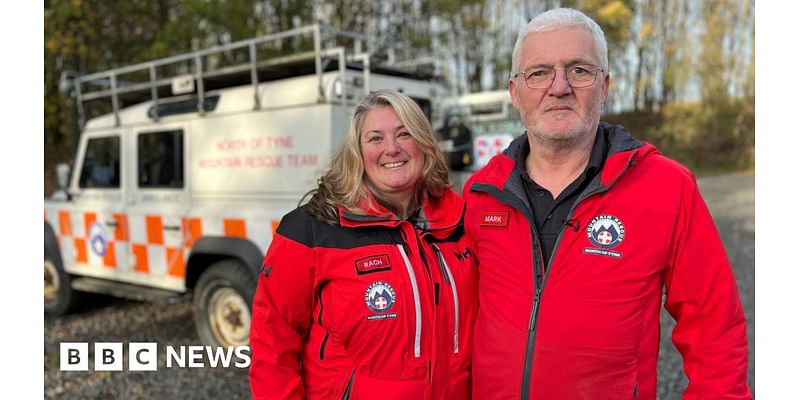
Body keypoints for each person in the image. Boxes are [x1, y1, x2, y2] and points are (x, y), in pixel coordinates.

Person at [463, 8, 751, 399]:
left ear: (606, 86)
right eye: (539, 72)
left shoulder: (666, 186)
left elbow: (714, 328)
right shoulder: (480, 193)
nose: (559, 86)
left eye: (580, 70)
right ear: (515, 91)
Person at [249, 90, 477, 399]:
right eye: (375, 139)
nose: (392, 149)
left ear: (424, 143)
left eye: (404, 134)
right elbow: (272, 343)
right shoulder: (312, 230)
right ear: (357, 151)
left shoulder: (460, 223)